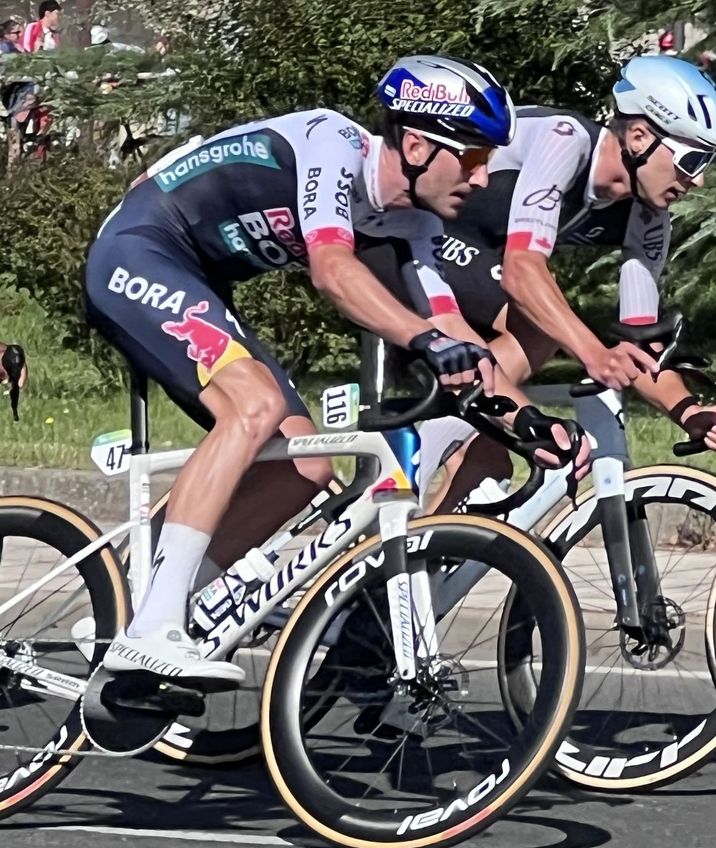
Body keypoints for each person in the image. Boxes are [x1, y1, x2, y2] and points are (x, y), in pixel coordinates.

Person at [82, 55, 576, 683]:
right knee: (254, 406)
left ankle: (137, 609)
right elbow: (332, 270)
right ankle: (152, 632)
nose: (483, 180)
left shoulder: (414, 223)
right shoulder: (331, 141)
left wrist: (530, 420)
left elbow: (454, 332)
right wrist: (421, 338)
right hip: (139, 249)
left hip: (197, 280)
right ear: (419, 144)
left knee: (306, 467)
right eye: (476, 158)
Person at [359, 55, 716, 514]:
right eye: (692, 158)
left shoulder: (649, 219)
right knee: (542, 329)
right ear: (639, 137)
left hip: (469, 257)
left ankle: (412, 557)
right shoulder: (566, 140)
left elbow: (638, 347)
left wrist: (688, 410)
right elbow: (522, 271)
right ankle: (426, 435)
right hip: (404, 235)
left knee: (490, 463)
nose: (699, 179)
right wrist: (593, 353)